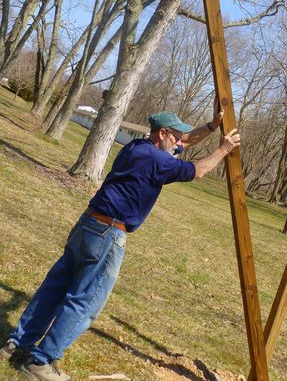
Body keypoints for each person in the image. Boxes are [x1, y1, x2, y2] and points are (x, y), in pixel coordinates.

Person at [1, 103, 239, 381]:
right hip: (108, 234)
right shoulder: (158, 161)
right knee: (84, 301)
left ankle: (15, 344)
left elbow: (186, 140)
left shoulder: (137, 148)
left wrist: (211, 126)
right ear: (162, 133)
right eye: (175, 136)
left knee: (54, 287)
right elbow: (197, 171)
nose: (180, 141)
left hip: (88, 224)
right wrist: (223, 149)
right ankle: (40, 363)